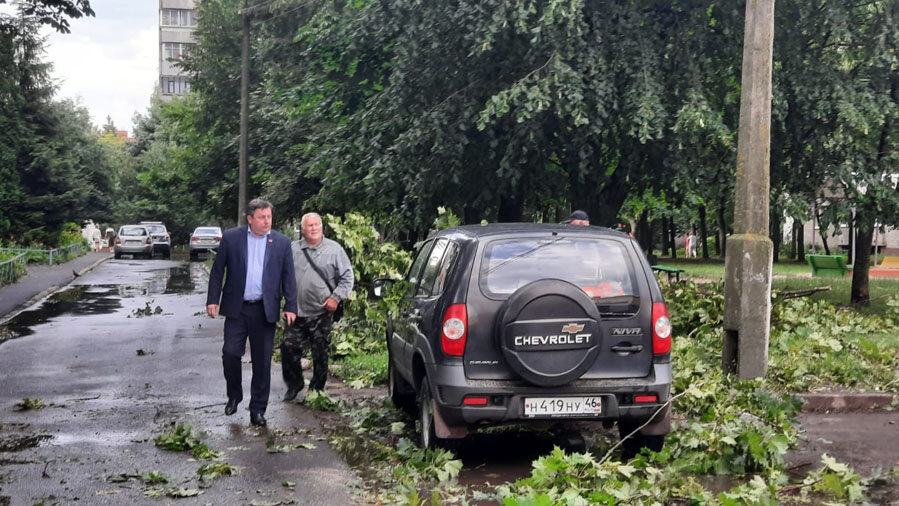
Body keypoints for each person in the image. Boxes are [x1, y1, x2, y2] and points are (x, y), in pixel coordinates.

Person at [206, 199, 297, 427]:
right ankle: (234, 395)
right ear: (250, 219)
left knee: (262, 362)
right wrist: (212, 301)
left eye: (269, 217)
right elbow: (218, 271)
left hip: (264, 310)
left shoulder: (281, 243)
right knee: (230, 353)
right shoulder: (232, 238)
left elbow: (289, 276)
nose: (267, 221)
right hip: (237, 308)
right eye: (261, 217)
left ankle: (257, 409)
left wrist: (290, 305)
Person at [281, 212, 354, 401]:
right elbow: (281, 274)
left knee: (320, 352)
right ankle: (294, 384)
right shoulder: (292, 249)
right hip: (295, 312)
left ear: (322, 228)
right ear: (302, 230)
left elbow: (347, 277)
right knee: (288, 348)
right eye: (309, 225)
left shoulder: (335, 249)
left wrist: (336, 298)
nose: (313, 228)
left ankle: (316, 389)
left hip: (321, 312)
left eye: (316, 225)